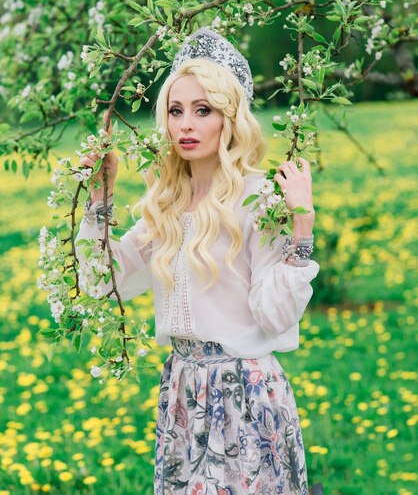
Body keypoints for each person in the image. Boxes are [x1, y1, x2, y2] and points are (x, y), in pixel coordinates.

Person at [76, 27, 320, 495]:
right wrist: (100, 195)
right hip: (184, 394)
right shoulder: (164, 204)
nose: (185, 124)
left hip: (245, 395)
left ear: (229, 118)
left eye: (202, 110)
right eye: (175, 110)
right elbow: (100, 282)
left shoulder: (259, 198)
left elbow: (276, 315)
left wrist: (301, 226)